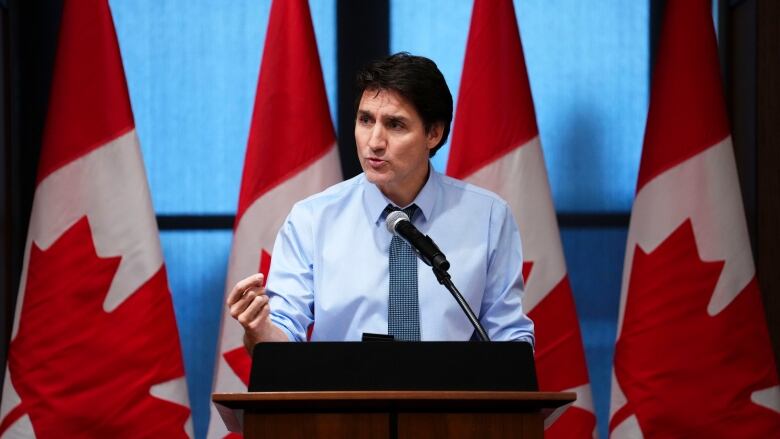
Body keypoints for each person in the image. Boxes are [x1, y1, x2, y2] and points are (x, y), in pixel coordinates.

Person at [227, 53, 533, 351]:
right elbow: (283, 343)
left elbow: (509, 338)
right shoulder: (313, 219)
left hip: (446, 401)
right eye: (365, 120)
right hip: (340, 401)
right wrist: (259, 329)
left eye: (395, 125)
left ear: (434, 134)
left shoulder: (488, 217)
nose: (374, 142)